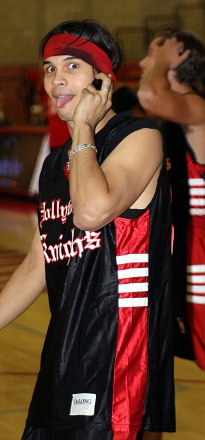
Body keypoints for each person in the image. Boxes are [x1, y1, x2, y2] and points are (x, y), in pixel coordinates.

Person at [0, 20, 175, 440]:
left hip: (120, 359)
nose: (55, 79)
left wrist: (81, 126)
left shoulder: (139, 137)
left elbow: (92, 211)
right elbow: (38, 262)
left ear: (103, 80)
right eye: (48, 68)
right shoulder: (55, 163)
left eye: (71, 66)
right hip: (64, 355)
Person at [138, 30, 205, 374]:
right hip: (182, 248)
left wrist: (163, 60)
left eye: (151, 53)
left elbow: (148, 93)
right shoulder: (173, 119)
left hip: (199, 247)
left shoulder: (195, 106)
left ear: (178, 57)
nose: (143, 62)